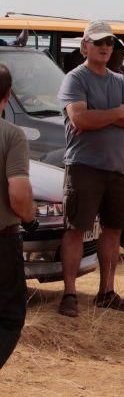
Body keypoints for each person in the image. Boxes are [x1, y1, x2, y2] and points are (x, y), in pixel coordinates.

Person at [57, 20, 124, 318]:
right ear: (85, 47)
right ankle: (69, 293)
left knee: (113, 230)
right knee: (76, 228)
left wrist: (102, 115)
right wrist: (115, 113)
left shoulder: (119, 81)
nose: (105, 48)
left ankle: (106, 292)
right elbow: (79, 120)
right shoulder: (75, 79)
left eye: (110, 43)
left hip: (117, 167)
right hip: (84, 165)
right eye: (99, 42)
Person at [0, 64, 35, 369]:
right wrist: (30, 216)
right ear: (7, 96)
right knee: (9, 318)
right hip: (2, 241)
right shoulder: (11, 135)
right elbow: (19, 193)